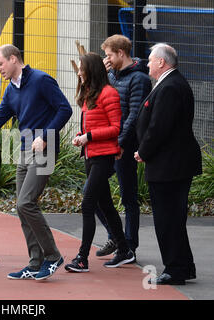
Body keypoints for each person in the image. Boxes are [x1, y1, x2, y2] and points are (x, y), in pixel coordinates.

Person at [0, 44, 72, 280]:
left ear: (13, 59)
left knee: (26, 203)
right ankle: (35, 262)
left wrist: (46, 136)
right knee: (21, 207)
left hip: (44, 150)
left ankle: (52, 256)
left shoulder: (41, 80)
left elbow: (65, 109)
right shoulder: (11, 89)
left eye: (0, 64)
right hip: (24, 149)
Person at [135, 43, 202, 285]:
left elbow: (159, 127)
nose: (148, 63)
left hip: (170, 165)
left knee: (168, 219)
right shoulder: (169, 83)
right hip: (170, 163)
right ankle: (183, 265)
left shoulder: (171, 86)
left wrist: (143, 151)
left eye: (151, 60)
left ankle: (175, 269)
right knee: (172, 218)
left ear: (162, 62)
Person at [64, 52, 135, 273]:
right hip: (90, 155)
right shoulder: (89, 94)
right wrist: (81, 136)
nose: (78, 72)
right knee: (105, 205)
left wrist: (89, 137)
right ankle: (124, 250)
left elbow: (116, 128)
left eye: (81, 68)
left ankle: (82, 258)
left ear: (91, 70)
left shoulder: (109, 93)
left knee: (88, 204)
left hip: (103, 157)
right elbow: (92, 125)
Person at [92, 35, 152, 259]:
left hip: (125, 147)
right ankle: (116, 237)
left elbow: (134, 115)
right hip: (108, 144)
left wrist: (119, 144)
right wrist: (102, 73)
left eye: (108, 55)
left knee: (128, 197)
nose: (106, 59)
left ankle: (129, 246)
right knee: (92, 191)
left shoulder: (139, 79)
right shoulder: (110, 75)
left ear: (120, 53)